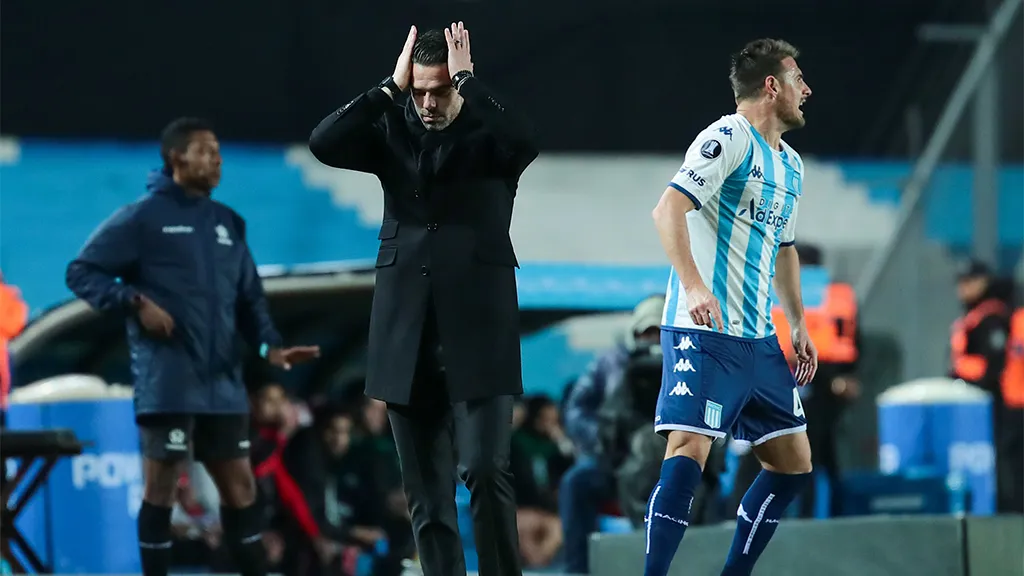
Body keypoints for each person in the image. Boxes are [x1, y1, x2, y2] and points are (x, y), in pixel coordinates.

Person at [307, 22, 537, 576]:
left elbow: (526, 140)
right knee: (426, 494)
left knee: (484, 469)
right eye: (420, 90)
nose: (429, 103)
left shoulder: (489, 135)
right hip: (405, 328)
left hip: (479, 329)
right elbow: (324, 142)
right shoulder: (391, 125)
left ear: (457, 83)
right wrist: (388, 87)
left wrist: (470, 83)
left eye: (441, 90)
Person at [65, 118, 321, 576]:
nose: (217, 159)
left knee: (241, 487)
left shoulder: (228, 224)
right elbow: (82, 272)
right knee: (160, 487)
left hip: (223, 385)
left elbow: (250, 300)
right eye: (205, 150)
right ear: (176, 158)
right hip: (169, 381)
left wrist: (270, 348)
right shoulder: (142, 218)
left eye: (219, 151)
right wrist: (134, 301)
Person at [644, 39, 816, 576]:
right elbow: (667, 209)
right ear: (771, 86)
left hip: (760, 338)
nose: (806, 89)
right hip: (704, 332)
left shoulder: (791, 166)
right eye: (797, 79)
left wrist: (798, 322)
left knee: (793, 464)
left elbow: (784, 249)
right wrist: (694, 286)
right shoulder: (726, 138)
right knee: (689, 447)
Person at [948, 259, 1016, 512]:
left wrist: (960, 371)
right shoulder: (976, 316)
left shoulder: (992, 317)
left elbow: (993, 366)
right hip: (977, 402)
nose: (963, 289)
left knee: (1006, 462)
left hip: (999, 401)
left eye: (970, 282)